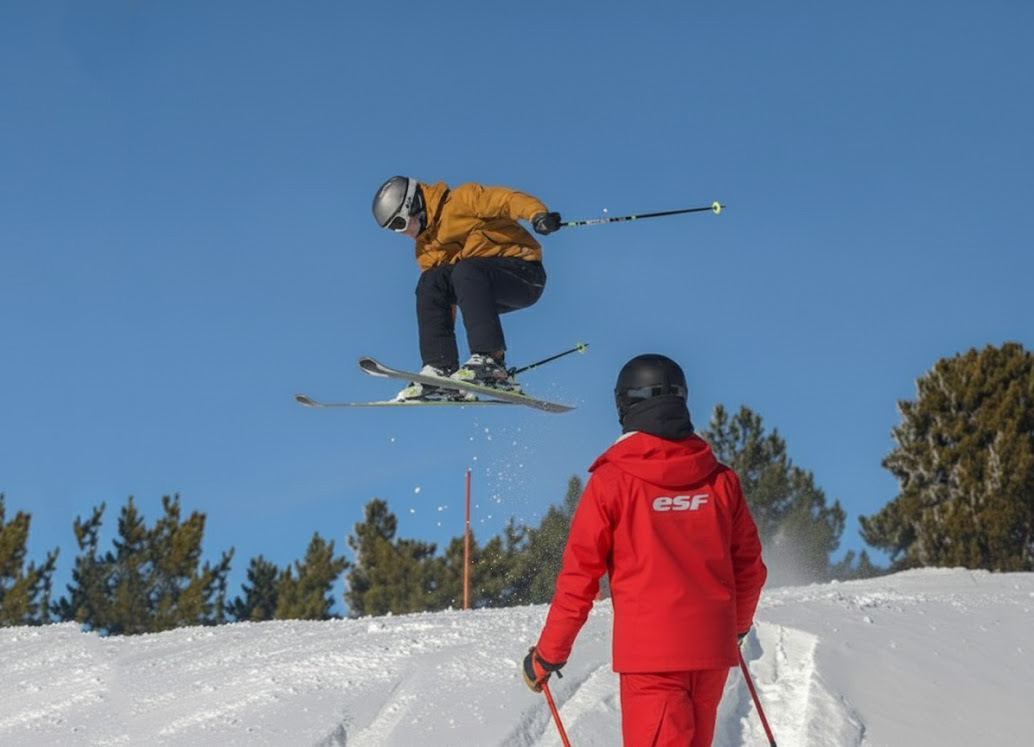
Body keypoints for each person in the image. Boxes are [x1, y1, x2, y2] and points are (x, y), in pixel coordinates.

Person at [521, 354, 768, 747]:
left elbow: (579, 580)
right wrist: (735, 627)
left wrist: (548, 655)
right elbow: (750, 570)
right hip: (711, 654)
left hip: (652, 662)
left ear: (625, 404)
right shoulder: (721, 481)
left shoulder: (612, 482)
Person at [371, 176, 562, 401]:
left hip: (524, 275)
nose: (401, 233)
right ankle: (439, 369)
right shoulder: (425, 249)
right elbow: (443, 301)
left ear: (414, 206)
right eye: (392, 229)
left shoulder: (462, 200)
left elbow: (506, 200)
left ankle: (491, 363)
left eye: (399, 224)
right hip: (480, 292)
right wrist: (443, 352)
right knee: (430, 282)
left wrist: (537, 215)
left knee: (466, 270)